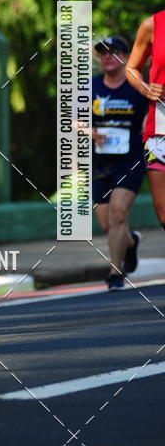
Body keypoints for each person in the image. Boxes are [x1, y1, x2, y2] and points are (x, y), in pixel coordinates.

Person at [92, 36, 147, 290]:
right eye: (102, 52)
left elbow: (155, 116)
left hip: (131, 159)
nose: (107, 56)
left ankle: (115, 272)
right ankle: (132, 242)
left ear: (125, 57)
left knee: (118, 214)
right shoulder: (90, 87)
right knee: (107, 222)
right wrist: (89, 132)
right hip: (100, 161)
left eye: (113, 52)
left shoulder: (137, 88)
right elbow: (71, 118)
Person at [126, 0, 165, 253]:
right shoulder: (152, 25)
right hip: (159, 131)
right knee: (163, 213)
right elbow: (131, 68)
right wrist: (146, 88)